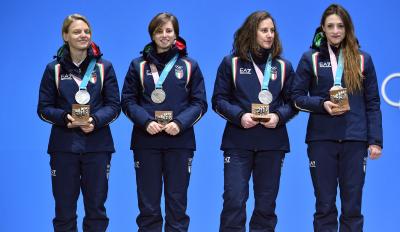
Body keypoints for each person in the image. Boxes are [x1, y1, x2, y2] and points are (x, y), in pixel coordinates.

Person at [291, 4, 383, 231]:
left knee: (352, 207)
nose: (335, 31)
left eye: (340, 26)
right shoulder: (309, 58)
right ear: (322, 28)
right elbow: (296, 97)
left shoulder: (363, 60)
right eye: (330, 26)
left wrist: (375, 141)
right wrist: (322, 104)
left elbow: (372, 103)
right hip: (321, 140)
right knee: (324, 205)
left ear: (347, 28)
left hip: (355, 139)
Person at [121, 12, 207, 232]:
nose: (164, 35)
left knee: (177, 205)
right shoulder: (137, 65)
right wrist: (145, 121)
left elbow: (199, 103)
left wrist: (179, 123)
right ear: (152, 34)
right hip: (146, 141)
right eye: (159, 31)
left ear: (176, 34)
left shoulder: (189, 65)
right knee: (148, 206)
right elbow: (128, 101)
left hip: (180, 141)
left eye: (169, 30)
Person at [212, 11, 297, 232]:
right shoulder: (231, 64)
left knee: (266, 206)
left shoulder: (283, 66)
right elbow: (218, 100)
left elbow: (294, 102)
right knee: (234, 201)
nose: (269, 35)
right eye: (264, 30)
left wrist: (278, 117)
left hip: (272, 143)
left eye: (272, 30)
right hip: (238, 143)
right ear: (252, 32)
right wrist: (240, 116)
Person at [37, 14, 120, 232]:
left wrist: (94, 120)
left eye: (86, 31)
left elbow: (114, 106)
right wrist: (65, 118)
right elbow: (43, 109)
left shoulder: (104, 67)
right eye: (76, 31)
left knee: (96, 211)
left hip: (98, 147)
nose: (83, 35)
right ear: (65, 36)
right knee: (64, 211)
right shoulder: (53, 69)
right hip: (63, 147)